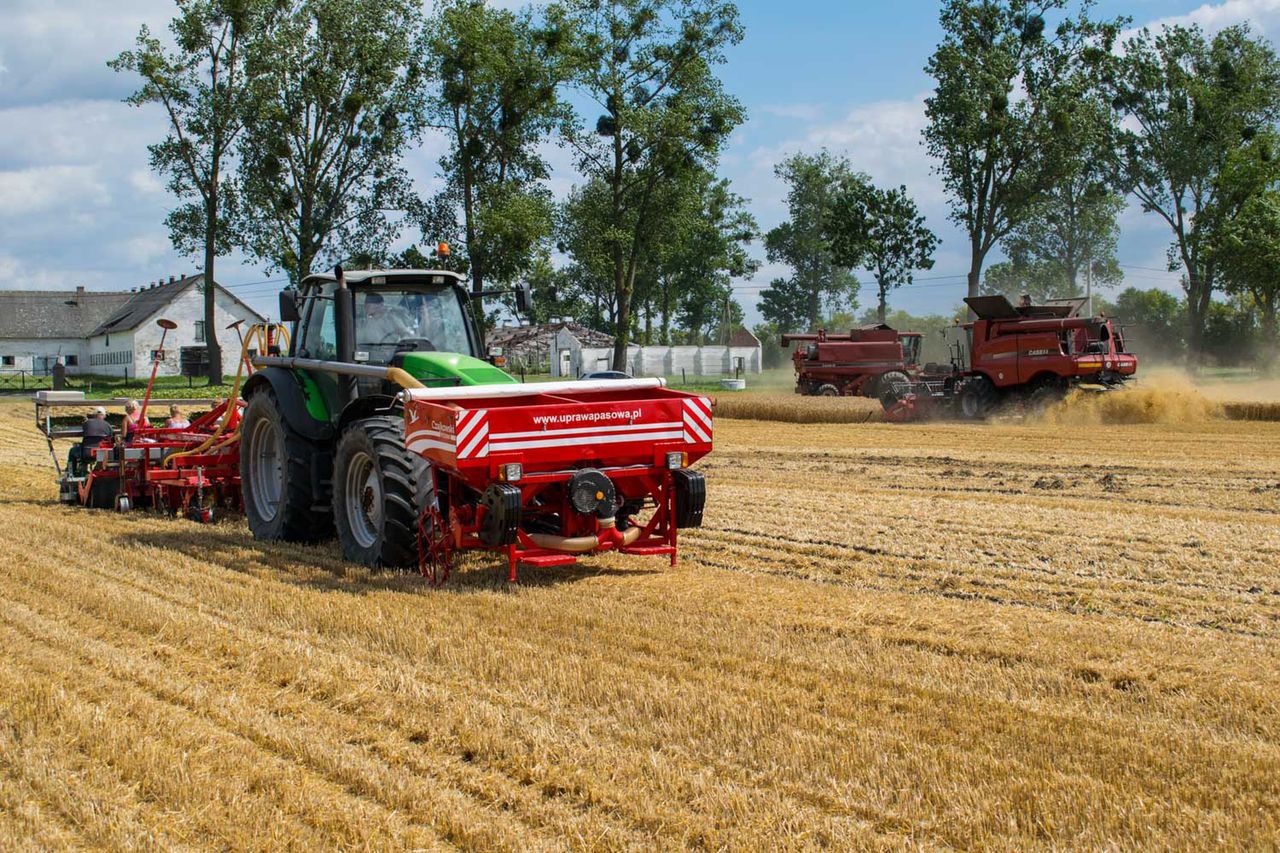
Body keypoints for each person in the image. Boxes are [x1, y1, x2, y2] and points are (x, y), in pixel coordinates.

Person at [69, 406, 113, 474]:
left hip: (86, 453)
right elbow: (111, 438)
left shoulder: (87, 423)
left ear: (94, 415)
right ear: (104, 416)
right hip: (103, 455)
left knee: (72, 451)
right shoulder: (108, 425)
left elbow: (84, 430)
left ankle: (71, 472)